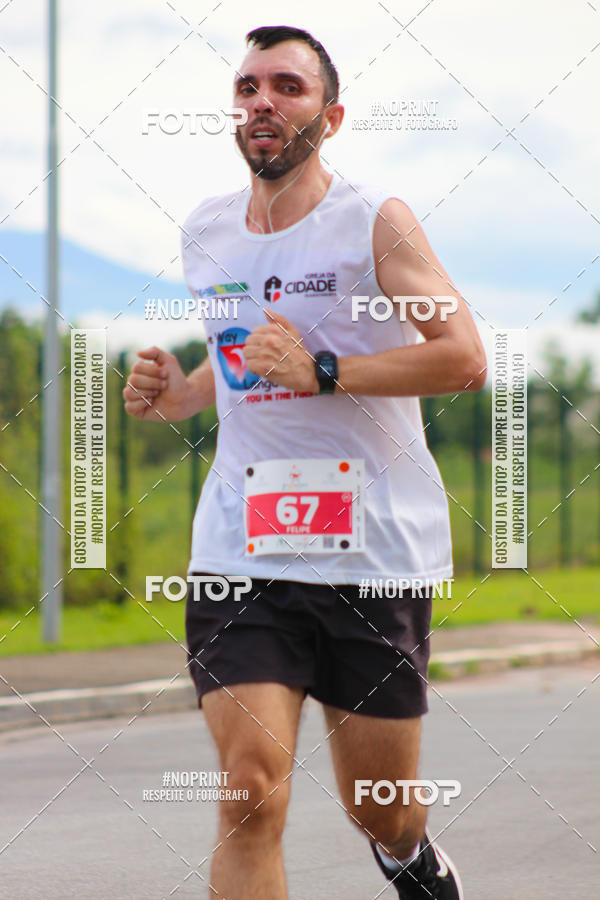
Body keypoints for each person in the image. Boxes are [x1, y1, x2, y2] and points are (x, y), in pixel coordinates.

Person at [123, 24, 486, 899]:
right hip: (242, 549)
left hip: (372, 549)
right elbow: (241, 355)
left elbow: (465, 357)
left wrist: (327, 371)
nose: (263, 103)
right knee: (250, 790)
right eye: (249, 87)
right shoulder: (207, 229)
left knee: (379, 805)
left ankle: (410, 858)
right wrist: (180, 394)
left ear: (332, 115)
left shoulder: (374, 223)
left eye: (287, 86)